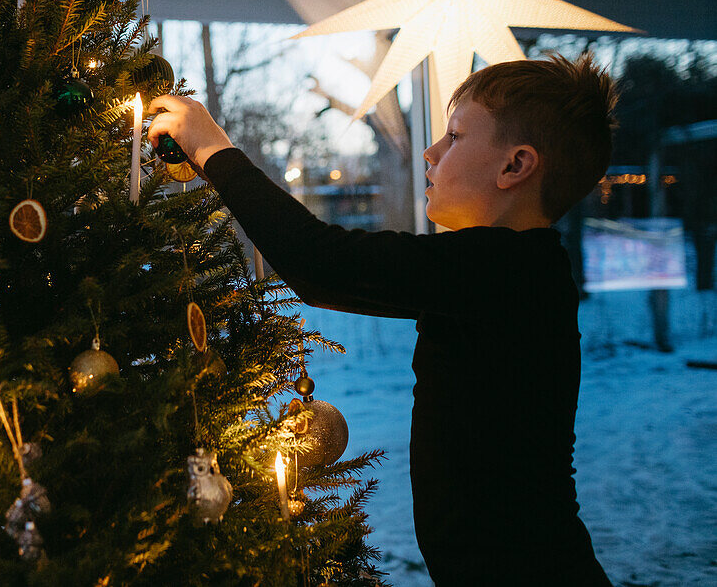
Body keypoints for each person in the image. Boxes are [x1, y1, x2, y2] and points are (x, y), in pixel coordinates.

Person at [148, 54, 616, 586]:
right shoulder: (508, 271)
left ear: (515, 166)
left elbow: (320, 263)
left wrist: (212, 148)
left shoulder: (505, 270)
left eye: (456, 137)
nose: (431, 152)